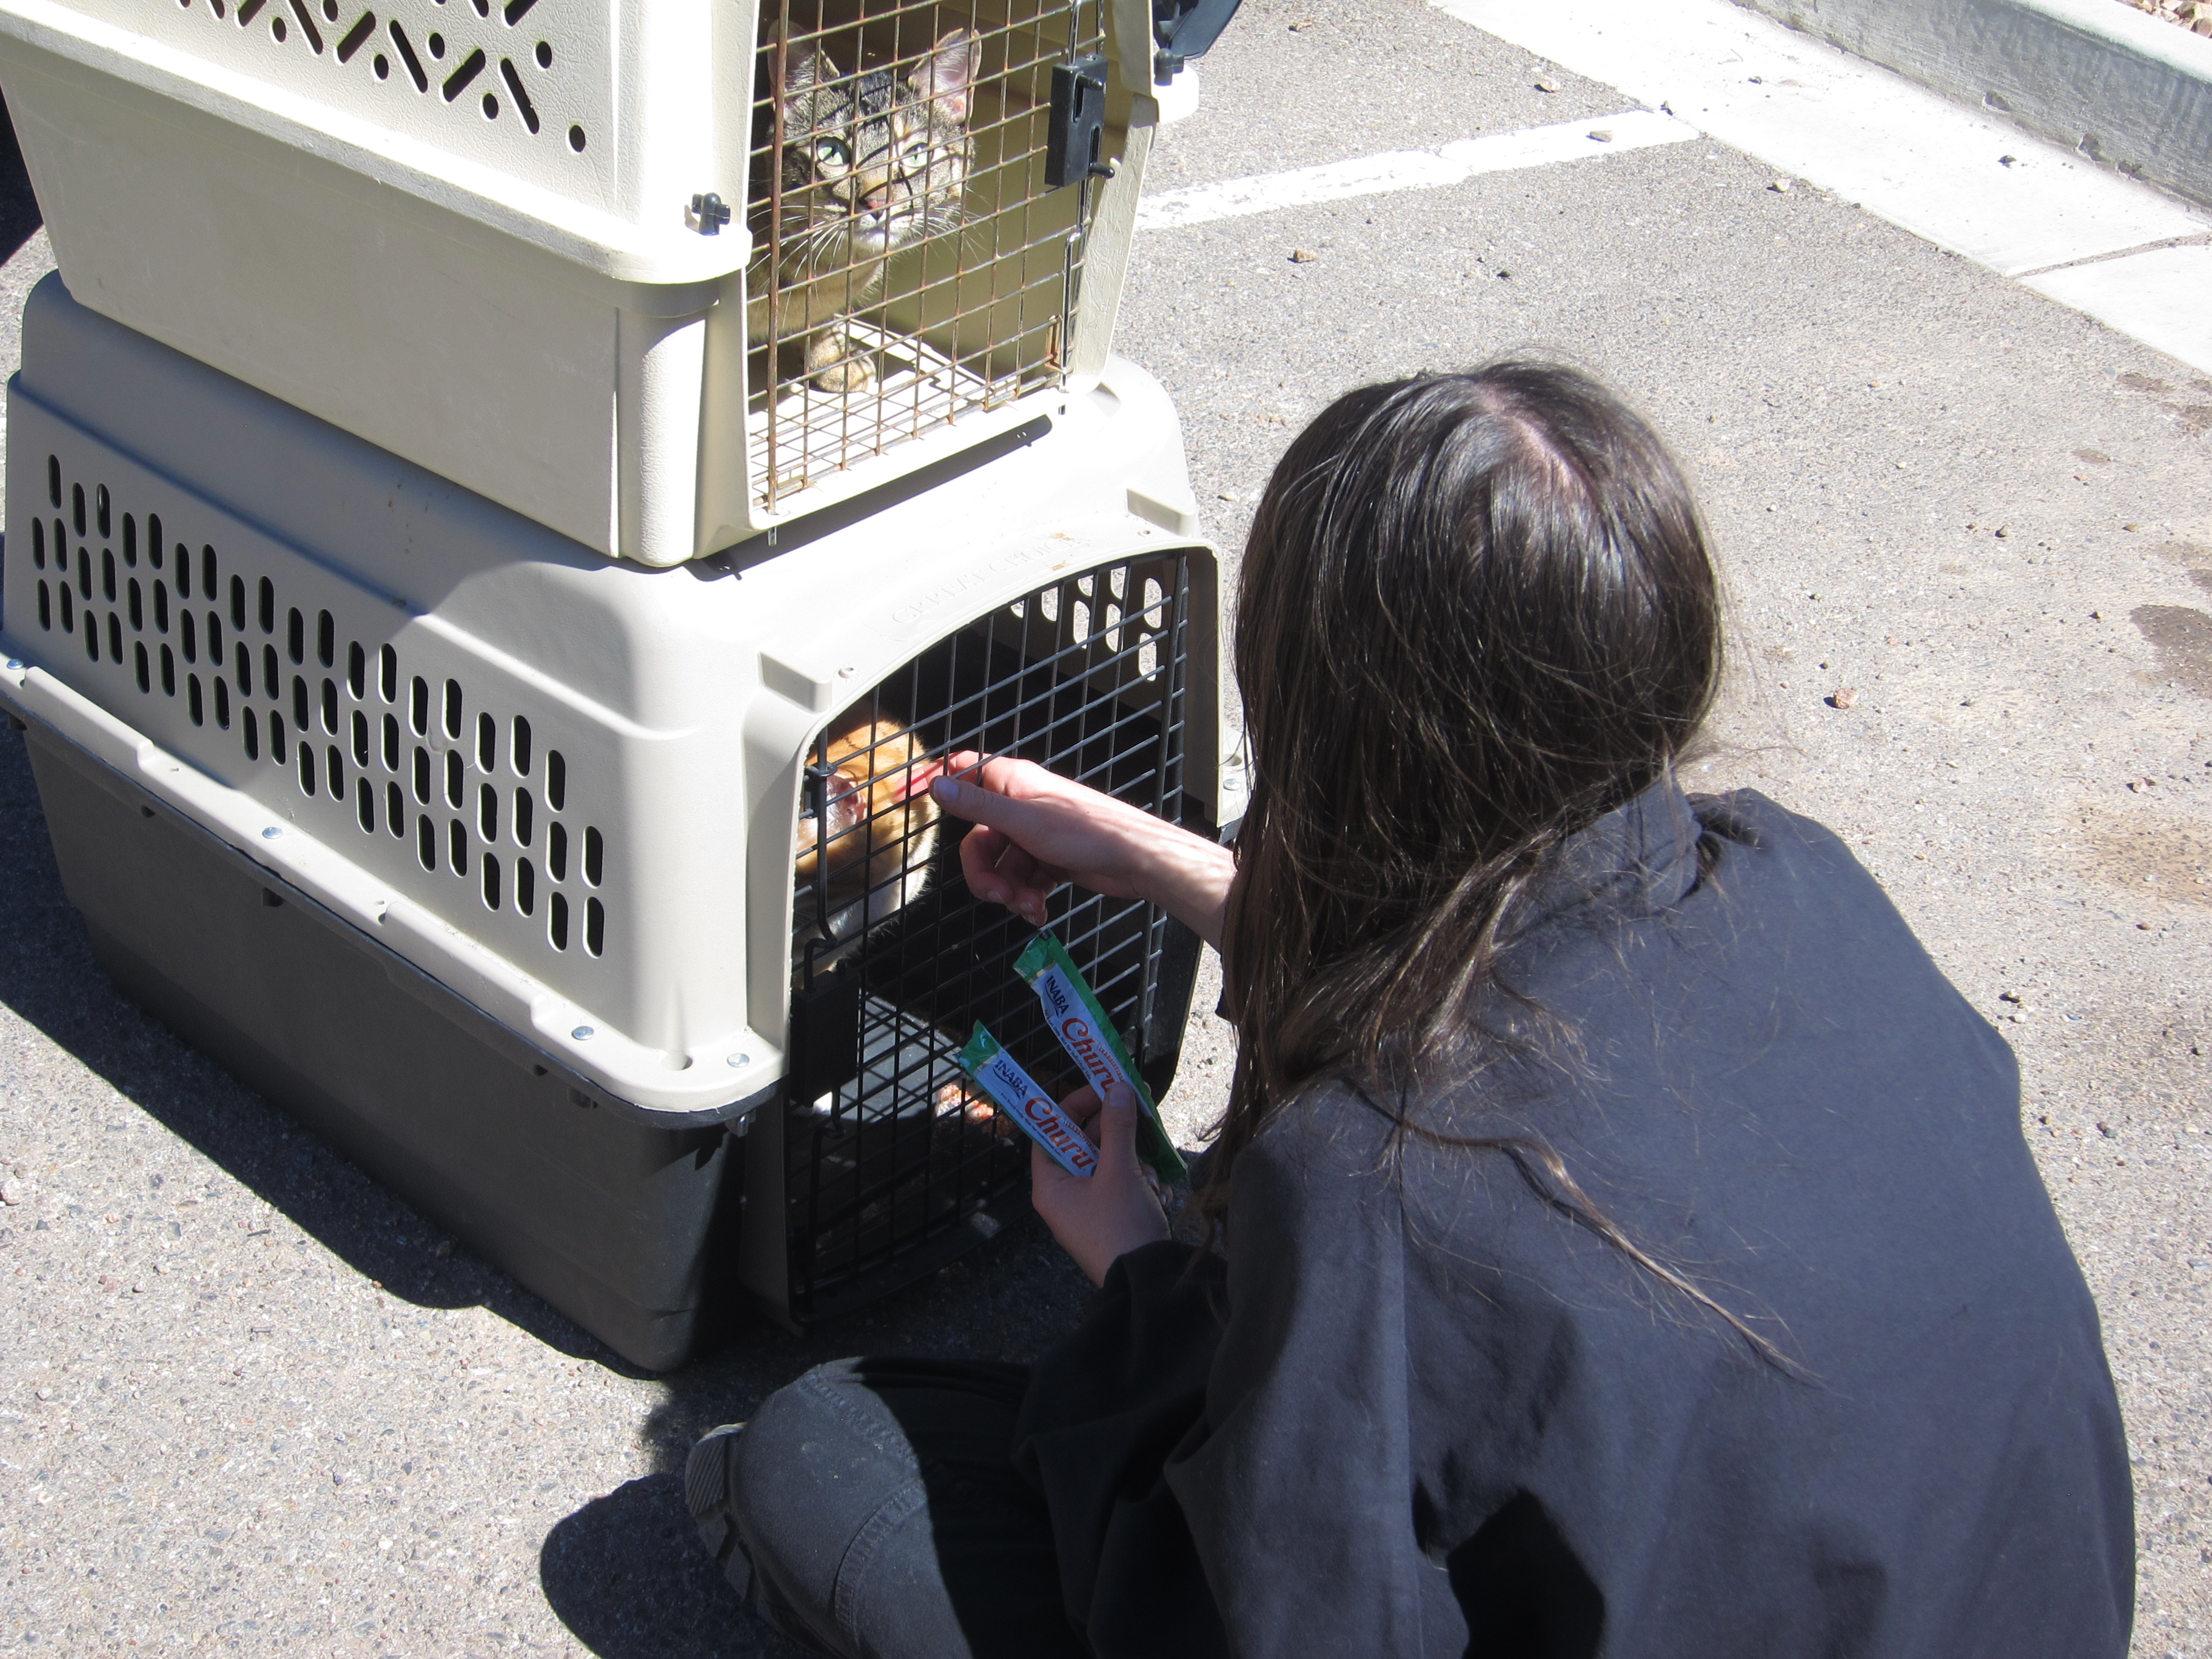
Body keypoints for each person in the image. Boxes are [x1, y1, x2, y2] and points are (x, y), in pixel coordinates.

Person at [685, 363, 2134, 1657]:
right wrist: (1150, 857)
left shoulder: (1376, 1185)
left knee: (825, 1450)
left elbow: (1266, 1610)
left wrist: (1133, 1271)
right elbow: (1481, 950)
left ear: (1328, 727)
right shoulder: (1794, 872)